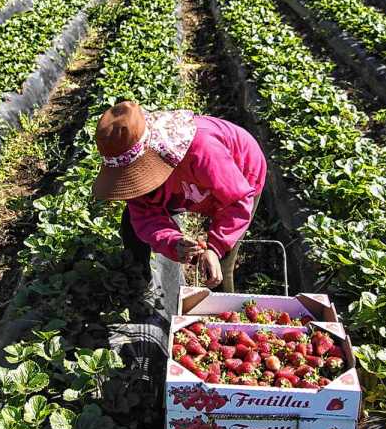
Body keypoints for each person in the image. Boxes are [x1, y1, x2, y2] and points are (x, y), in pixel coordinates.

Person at [92, 101, 267, 292]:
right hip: (187, 187)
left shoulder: (202, 149)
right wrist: (174, 243)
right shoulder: (132, 173)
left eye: (135, 172)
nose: (134, 181)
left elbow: (236, 201)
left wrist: (215, 248)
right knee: (131, 223)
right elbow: (145, 216)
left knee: (219, 266)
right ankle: (140, 286)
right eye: (129, 174)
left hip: (238, 179)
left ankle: (223, 308)